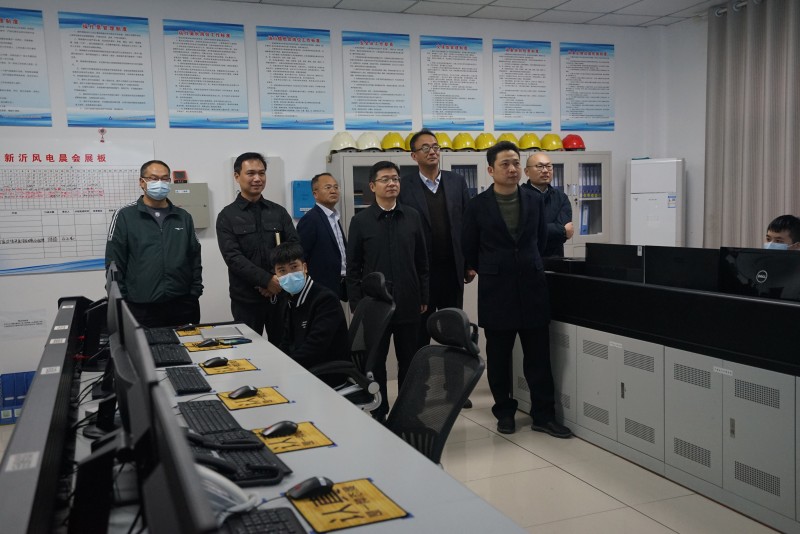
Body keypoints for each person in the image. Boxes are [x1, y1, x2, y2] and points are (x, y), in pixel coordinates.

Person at [462, 141, 572, 439]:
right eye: (505, 164)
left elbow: (539, 239)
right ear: (490, 170)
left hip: (532, 287)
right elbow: (469, 247)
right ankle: (505, 412)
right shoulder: (477, 205)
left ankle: (543, 416)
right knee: (499, 357)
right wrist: (491, 267)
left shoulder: (533, 201)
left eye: (515, 163)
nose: (512, 169)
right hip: (497, 290)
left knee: (539, 357)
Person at [346, 161, 429, 421]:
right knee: (375, 363)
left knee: (409, 361)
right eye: (385, 179)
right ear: (372, 186)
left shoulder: (412, 217)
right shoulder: (360, 221)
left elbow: (422, 262)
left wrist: (424, 296)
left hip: (409, 301)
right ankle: (378, 412)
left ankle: (406, 413)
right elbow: (353, 268)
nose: (392, 183)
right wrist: (357, 304)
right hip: (375, 307)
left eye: (395, 179)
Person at [399, 128, 473, 408]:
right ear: (413, 155)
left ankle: (455, 390)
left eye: (436, 146)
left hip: (452, 270)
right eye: (425, 148)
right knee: (420, 335)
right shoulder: (405, 186)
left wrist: (469, 263)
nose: (432, 151)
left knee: (455, 331)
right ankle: (421, 390)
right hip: (422, 275)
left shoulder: (456, 182)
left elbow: (467, 223)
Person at [105, 160, 202, 327]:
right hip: (140, 306)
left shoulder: (183, 217)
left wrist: (194, 292)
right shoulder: (125, 216)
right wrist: (122, 300)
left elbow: (194, 256)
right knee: (145, 345)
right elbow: (114, 262)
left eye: (165, 179)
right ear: (142, 182)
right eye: (154, 178)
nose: (160, 183)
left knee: (186, 344)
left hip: (182, 304)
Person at [216, 152, 299, 339]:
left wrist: (276, 281)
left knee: (285, 348)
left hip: (280, 294)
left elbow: (294, 248)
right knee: (249, 350)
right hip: (246, 300)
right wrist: (266, 280)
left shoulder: (278, 212)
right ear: (237, 176)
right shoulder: (227, 216)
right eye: (251, 173)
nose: (257, 178)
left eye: (261, 173)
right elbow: (233, 257)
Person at [271, 242, 348, 380]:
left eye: (294, 267)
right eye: (282, 270)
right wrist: (274, 362)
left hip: (326, 374)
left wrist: (284, 367)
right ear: (276, 275)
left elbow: (315, 348)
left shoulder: (325, 299)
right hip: (303, 369)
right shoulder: (290, 299)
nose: (289, 275)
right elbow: (286, 342)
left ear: (305, 268)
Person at [296, 173, 348, 300]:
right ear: (315, 194)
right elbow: (301, 256)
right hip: (320, 288)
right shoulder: (310, 219)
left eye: (336, 187)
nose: (333, 190)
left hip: (340, 285)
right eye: (328, 187)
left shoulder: (334, 217)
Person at [522, 152, 574, 257]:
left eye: (549, 166)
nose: (545, 170)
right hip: (527, 260)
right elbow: (524, 232)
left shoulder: (561, 197)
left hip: (555, 259)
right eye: (540, 166)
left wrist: (537, 230)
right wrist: (562, 230)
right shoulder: (519, 196)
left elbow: (564, 233)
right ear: (527, 171)